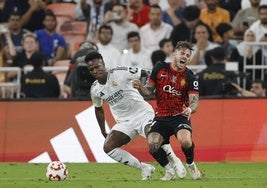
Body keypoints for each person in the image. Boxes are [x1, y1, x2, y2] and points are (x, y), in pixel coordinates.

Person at [85, 51, 187, 181]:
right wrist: (103, 130)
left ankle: (175, 160)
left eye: (97, 66)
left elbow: (146, 72)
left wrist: (148, 87)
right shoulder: (95, 89)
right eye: (91, 69)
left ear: (103, 64)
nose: (95, 70)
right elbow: (98, 109)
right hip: (124, 121)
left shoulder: (120, 72)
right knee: (108, 147)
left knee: (154, 140)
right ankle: (146, 168)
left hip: (142, 113)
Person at [132, 41, 202, 180]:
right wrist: (140, 87)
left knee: (186, 141)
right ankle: (169, 171)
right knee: (152, 144)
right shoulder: (160, 67)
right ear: (174, 54)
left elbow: (194, 102)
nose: (185, 57)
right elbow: (148, 92)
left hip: (179, 116)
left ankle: (191, 164)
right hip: (161, 117)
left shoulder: (190, 76)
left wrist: (189, 109)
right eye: (182, 53)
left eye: (188, 55)